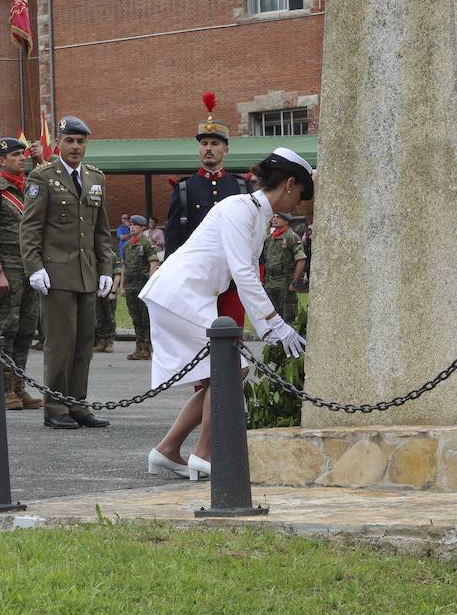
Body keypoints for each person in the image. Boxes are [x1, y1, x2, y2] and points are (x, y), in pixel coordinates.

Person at [141, 148, 313, 480]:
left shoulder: (255, 212)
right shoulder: (239, 208)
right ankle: (205, 456)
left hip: (187, 294)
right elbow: (244, 272)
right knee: (231, 370)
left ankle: (167, 450)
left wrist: (268, 326)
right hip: (181, 293)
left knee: (216, 376)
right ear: (290, 184)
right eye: (302, 194)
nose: (300, 204)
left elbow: (246, 270)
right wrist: (275, 323)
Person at [21, 116, 116, 430]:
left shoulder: (95, 178)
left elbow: (101, 231)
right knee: (61, 342)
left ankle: (78, 404)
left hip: (86, 273)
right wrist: (34, 267)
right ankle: (55, 407)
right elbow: (30, 228)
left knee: (83, 342)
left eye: (81, 141)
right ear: (59, 143)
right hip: (55, 273)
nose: (76, 147)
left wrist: (106, 268)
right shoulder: (43, 177)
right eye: (70, 141)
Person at [164, 92, 250, 326]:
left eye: (214, 143)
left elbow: (252, 235)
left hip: (233, 278)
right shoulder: (184, 189)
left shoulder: (241, 186)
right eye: (204, 144)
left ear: (226, 149)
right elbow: (173, 238)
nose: (208, 148)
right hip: (197, 279)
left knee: (233, 339)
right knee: (199, 341)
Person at [0, 136, 46, 412]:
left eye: (24, 155)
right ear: (1, 161)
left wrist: (42, 160)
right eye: (16, 155)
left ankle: (19, 387)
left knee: (27, 329)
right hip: (7, 268)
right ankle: (4, 389)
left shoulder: (29, 188)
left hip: (29, 268)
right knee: (7, 328)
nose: (22, 158)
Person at [122, 215, 161, 361]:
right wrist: (122, 286)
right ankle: (139, 348)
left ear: (142, 227)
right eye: (130, 224)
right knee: (135, 317)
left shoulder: (147, 243)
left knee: (146, 318)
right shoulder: (127, 245)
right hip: (130, 286)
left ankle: (147, 348)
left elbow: (153, 264)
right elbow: (124, 267)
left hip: (143, 284)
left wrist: (151, 284)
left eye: (135, 225)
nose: (131, 227)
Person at [261, 212, 306, 325]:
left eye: (278, 217)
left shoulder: (291, 237)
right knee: (270, 313)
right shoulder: (269, 238)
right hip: (270, 281)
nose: (274, 219)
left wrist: (294, 282)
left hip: (284, 281)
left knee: (287, 315)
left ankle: (287, 341)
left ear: (286, 221)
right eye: (274, 217)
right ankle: (274, 341)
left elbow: (301, 259)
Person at [94, 251, 122, 354]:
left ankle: (110, 341)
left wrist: (113, 291)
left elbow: (117, 274)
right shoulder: (94, 254)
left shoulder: (112, 255)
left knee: (109, 316)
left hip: (109, 290)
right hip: (96, 290)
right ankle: (101, 341)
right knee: (99, 316)